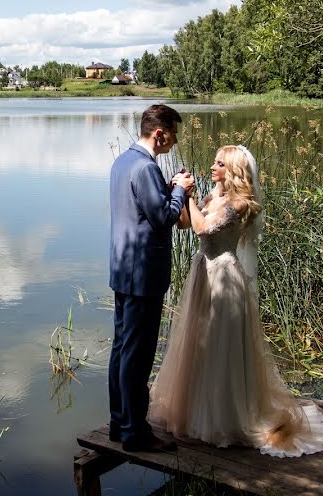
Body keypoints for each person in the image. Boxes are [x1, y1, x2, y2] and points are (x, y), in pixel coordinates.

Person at [149, 145, 323, 457]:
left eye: (219, 164)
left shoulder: (239, 203)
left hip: (223, 278)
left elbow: (203, 227)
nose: (212, 167)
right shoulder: (215, 197)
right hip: (203, 275)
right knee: (201, 344)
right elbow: (185, 224)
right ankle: (200, 411)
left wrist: (191, 198)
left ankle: (225, 417)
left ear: (233, 170)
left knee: (221, 347)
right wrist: (180, 196)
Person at [108, 104, 195, 453]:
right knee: (138, 355)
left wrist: (169, 188)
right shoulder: (145, 167)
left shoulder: (123, 162)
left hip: (123, 268)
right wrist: (181, 191)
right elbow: (162, 218)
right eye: (172, 136)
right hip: (142, 273)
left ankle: (119, 422)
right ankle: (134, 432)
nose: (174, 143)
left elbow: (144, 210)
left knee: (122, 350)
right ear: (159, 134)